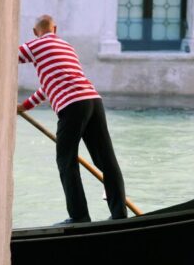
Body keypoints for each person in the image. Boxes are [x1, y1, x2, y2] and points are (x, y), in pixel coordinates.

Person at [17, 14, 128, 224]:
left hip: (72, 105)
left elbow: (9, 56)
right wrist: (25, 106)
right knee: (106, 160)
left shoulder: (36, 45)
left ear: (35, 32)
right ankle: (120, 215)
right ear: (55, 29)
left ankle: (79, 216)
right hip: (93, 101)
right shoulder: (67, 47)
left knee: (66, 160)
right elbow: (47, 88)